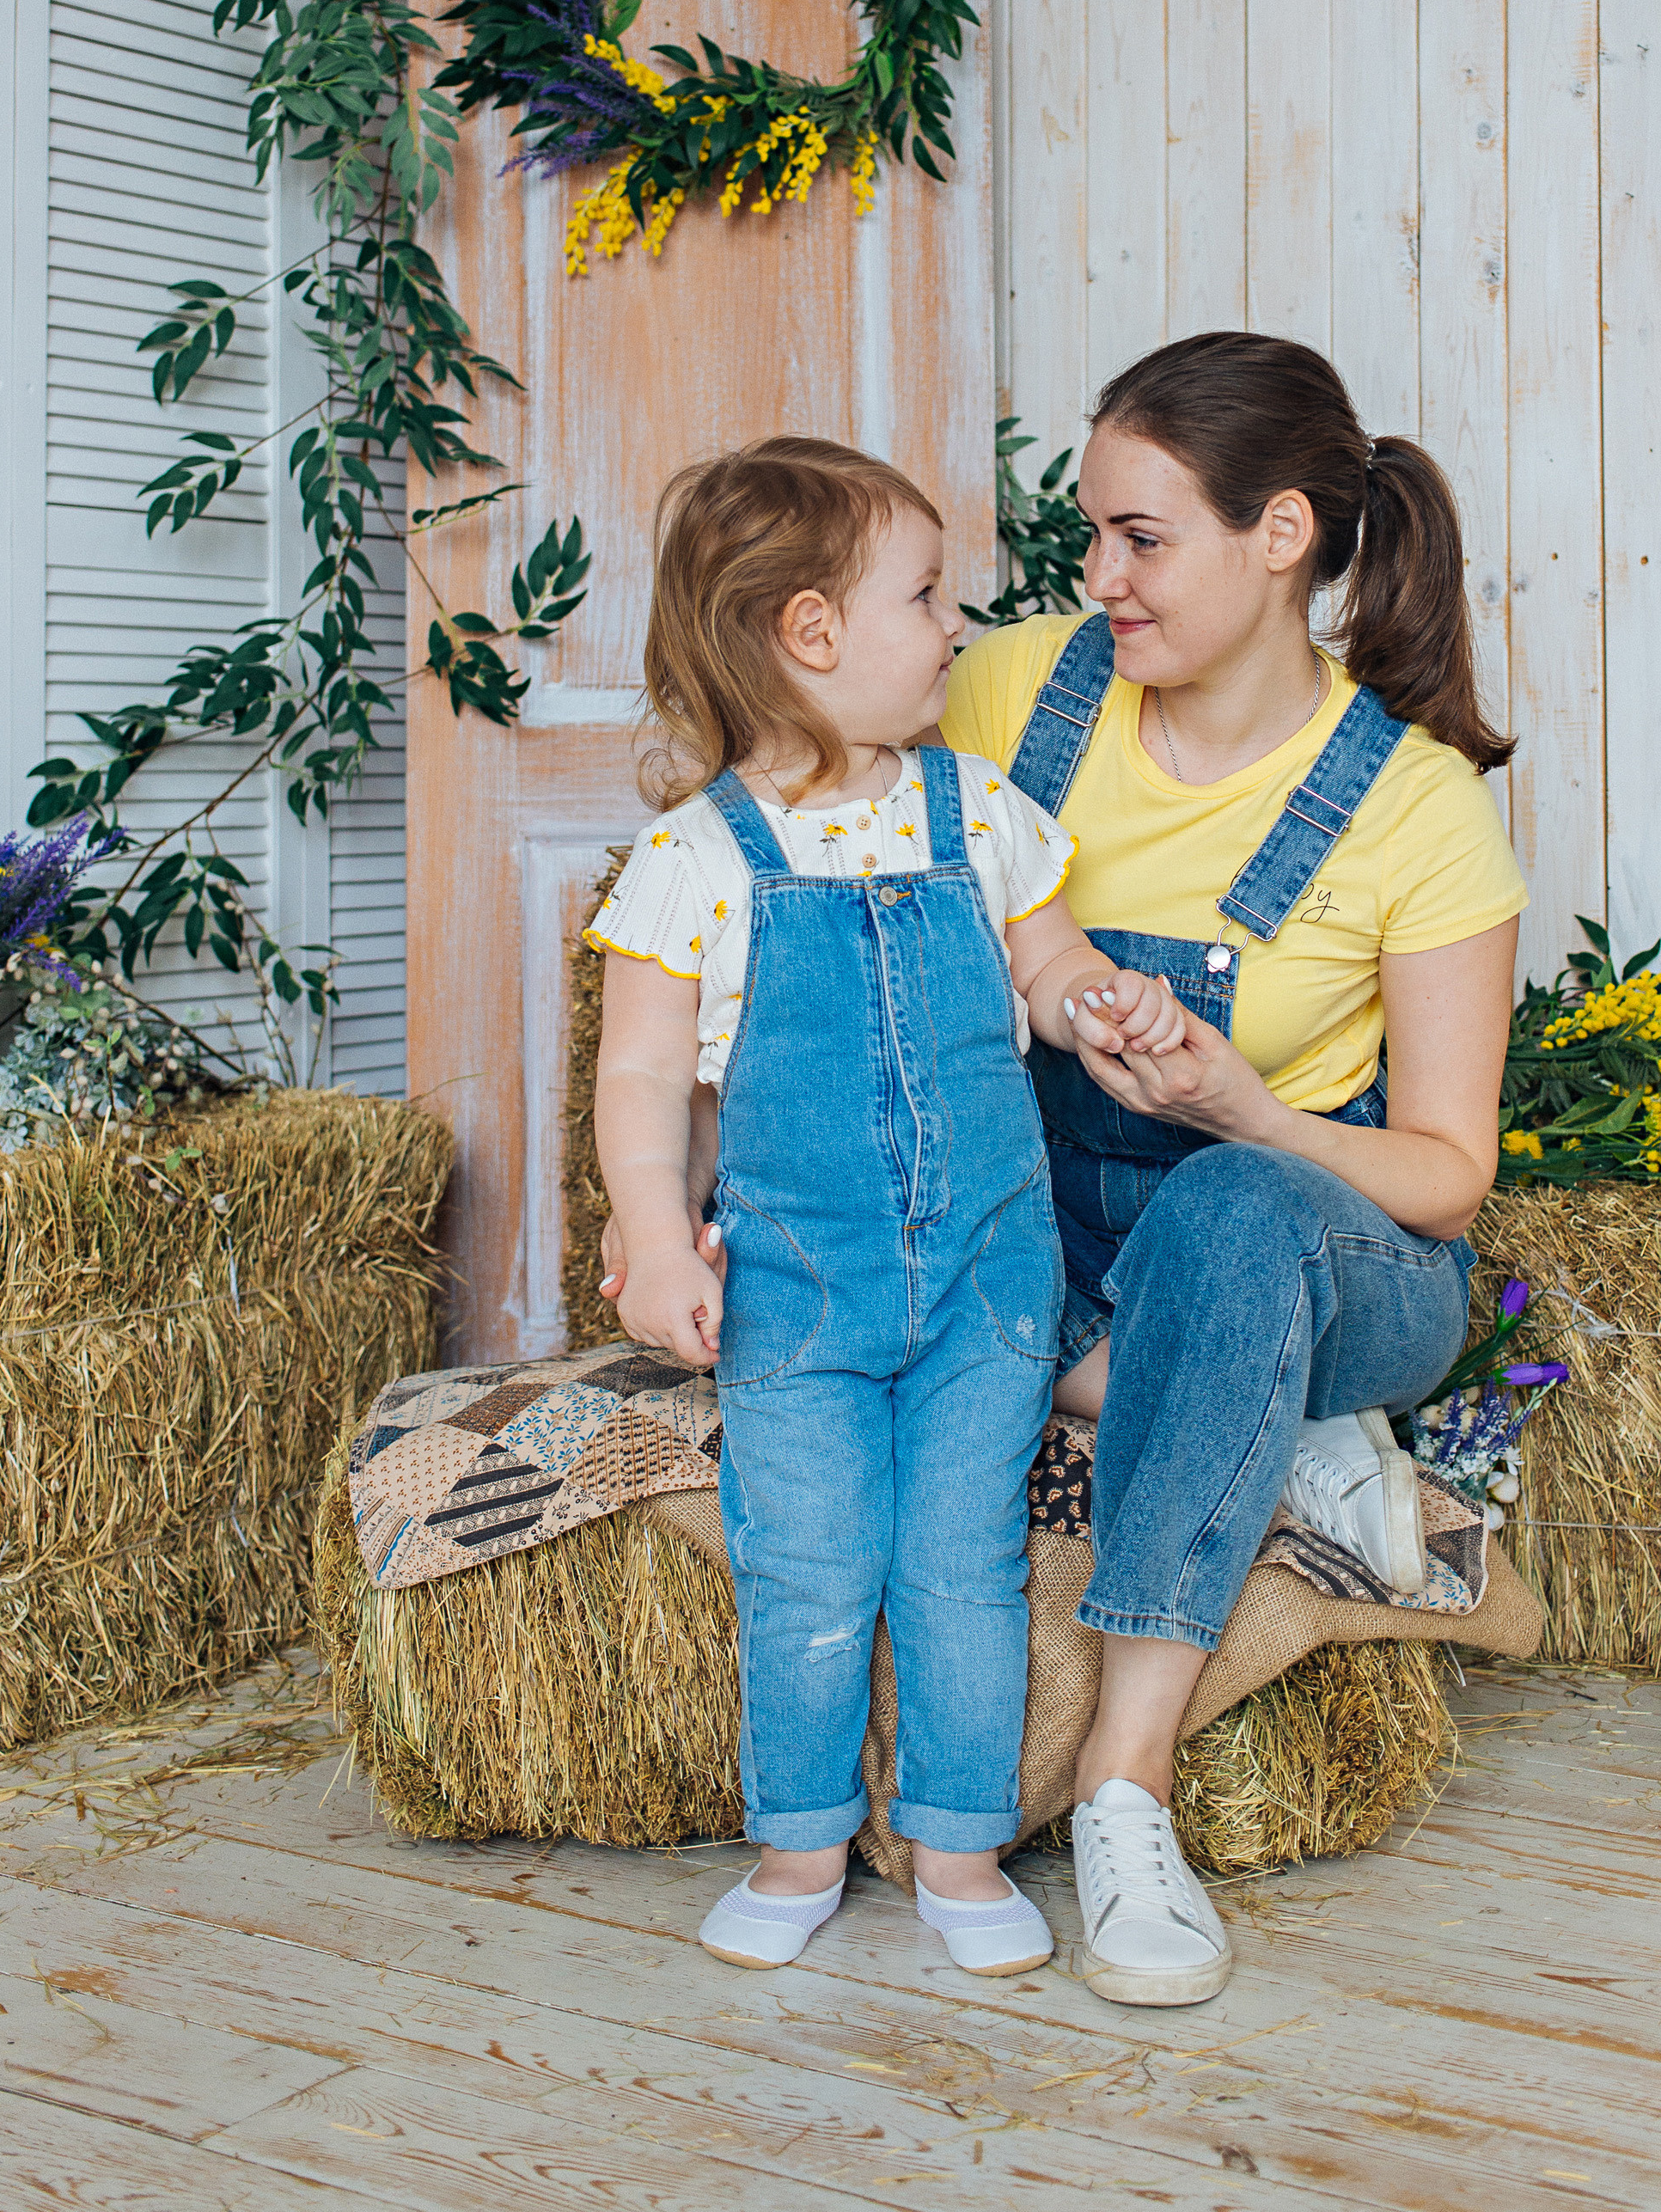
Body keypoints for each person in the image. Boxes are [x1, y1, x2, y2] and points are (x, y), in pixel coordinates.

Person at [939, 332, 1526, 2007]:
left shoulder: (1416, 814)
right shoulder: (1010, 697)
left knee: (1231, 1219)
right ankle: (1252, 1426)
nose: (1097, 578)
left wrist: (1247, 1109)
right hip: (1058, 1213)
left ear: (1280, 536)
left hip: (1332, 1241)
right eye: (1090, 534)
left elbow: (1446, 1172)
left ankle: (1128, 1794)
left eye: (1143, 538)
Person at [587, 438, 1188, 1980]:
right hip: (798, 1290)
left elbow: (1044, 970)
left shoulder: (979, 815)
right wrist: (655, 1238)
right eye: (928, 596)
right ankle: (796, 1840)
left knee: (958, 1560)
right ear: (812, 633)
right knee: (804, 1558)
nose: (957, 627)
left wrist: (1091, 1003)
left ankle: (960, 1845)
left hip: (989, 1282)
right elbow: (646, 1086)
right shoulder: (696, 861)